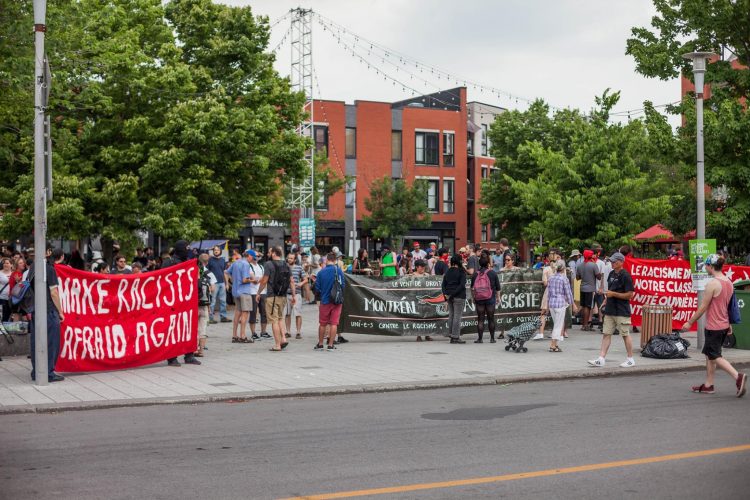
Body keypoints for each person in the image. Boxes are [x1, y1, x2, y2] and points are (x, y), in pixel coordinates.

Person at [682, 254, 747, 397]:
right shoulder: (728, 282)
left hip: (714, 326)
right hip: (723, 324)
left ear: (711, 266)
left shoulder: (712, 284)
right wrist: (729, 324)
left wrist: (690, 322)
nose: (705, 267)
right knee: (710, 355)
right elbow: (729, 306)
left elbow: (703, 307)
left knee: (714, 355)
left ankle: (738, 377)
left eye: (706, 265)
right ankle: (708, 385)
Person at [588, 252, 635, 368]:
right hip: (610, 309)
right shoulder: (611, 274)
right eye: (612, 261)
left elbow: (630, 295)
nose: (612, 263)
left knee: (625, 334)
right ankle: (601, 358)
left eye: (614, 262)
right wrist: (605, 301)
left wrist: (613, 294)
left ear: (621, 262)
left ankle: (630, 359)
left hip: (622, 310)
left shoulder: (626, 276)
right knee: (606, 333)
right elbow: (610, 290)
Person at [162, 241, 203, 366]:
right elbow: (163, 280)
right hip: (173, 302)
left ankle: (189, 354)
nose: (187, 251)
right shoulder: (169, 262)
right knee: (173, 329)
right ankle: (171, 357)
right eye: (185, 249)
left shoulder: (189, 262)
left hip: (188, 301)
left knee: (189, 327)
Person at [30, 248, 66, 382]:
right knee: (51, 343)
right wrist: (60, 312)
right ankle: (48, 372)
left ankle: (37, 371)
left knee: (36, 343)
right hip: (48, 310)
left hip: (36, 309)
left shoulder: (34, 266)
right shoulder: (49, 269)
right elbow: (54, 292)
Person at [257, 246, 295, 352]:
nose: (268, 254)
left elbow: (264, 281)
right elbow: (291, 281)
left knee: (274, 320)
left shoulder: (268, 264)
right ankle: (283, 338)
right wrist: (293, 295)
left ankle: (277, 345)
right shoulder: (286, 265)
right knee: (280, 318)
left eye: (270, 252)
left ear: (274, 253)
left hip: (272, 296)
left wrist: (258, 293)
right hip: (283, 296)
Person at [314, 253, 346, 351]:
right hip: (337, 301)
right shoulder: (339, 271)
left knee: (323, 324)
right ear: (335, 260)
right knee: (334, 323)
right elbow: (343, 285)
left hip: (325, 301)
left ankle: (320, 344)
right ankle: (331, 345)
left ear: (327, 260)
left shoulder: (321, 272)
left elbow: (317, 288)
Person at [547, 260, 578, 352]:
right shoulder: (564, 279)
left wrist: (548, 305)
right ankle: (553, 344)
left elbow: (548, 293)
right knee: (558, 325)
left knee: (556, 324)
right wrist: (573, 304)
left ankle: (555, 344)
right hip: (560, 303)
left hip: (552, 303)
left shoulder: (551, 278)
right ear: (563, 268)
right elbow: (568, 293)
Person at [471, 254, 501, 343]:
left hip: (479, 299)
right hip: (490, 298)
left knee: (480, 319)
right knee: (491, 318)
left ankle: (480, 339)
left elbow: (472, 288)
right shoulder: (492, 273)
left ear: (479, 264)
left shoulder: (475, 274)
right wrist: (498, 297)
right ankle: (492, 338)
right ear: (488, 263)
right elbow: (498, 287)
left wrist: (473, 298)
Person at [226, 250, 254, 344]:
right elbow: (244, 280)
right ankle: (243, 336)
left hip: (236, 291)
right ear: (249, 256)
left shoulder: (236, 262)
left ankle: (234, 335)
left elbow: (226, 272)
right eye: (253, 257)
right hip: (244, 292)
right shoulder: (246, 264)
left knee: (237, 313)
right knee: (245, 314)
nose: (253, 259)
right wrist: (253, 280)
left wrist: (232, 281)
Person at [534, 248, 559, 341]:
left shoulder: (546, 269)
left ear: (548, 258)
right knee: (557, 314)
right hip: (558, 292)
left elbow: (545, 283)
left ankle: (541, 333)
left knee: (543, 312)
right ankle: (556, 333)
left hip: (549, 292)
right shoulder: (561, 268)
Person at [442, 255, 467, 344]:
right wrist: (453, 294)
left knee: (451, 316)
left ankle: (451, 335)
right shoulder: (461, 272)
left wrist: (446, 296)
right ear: (459, 261)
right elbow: (462, 285)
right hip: (458, 296)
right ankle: (455, 336)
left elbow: (443, 285)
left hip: (449, 296)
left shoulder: (447, 272)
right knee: (457, 317)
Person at [195, 253, 216, 357]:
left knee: (194, 328)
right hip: (204, 305)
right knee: (202, 329)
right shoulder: (210, 274)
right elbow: (212, 289)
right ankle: (201, 351)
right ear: (207, 262)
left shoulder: (193, 272)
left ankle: (194, 349)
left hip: (194, 305)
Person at [246, 250, 268, 341]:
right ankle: (253, 333)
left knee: (264, 313)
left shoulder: (262, 267)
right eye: (255, 256)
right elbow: (254, 280)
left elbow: (263, 280)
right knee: (253, 313)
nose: (257, 257)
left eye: (258, 256)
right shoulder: (249, 266)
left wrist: (261, 279)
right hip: (253, 292)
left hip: (263, 292)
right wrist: (261, 279)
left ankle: (263, 332)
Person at [576, 249, 601, 331]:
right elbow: (599, 277)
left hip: (582, 287)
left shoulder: (579, 265)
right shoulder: (593, 265)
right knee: (588, 307)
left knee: (583, 306)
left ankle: (583, 324)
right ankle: (586, 325)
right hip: (590, 289)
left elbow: (577, 277)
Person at [284, 252, 307, 340]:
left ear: (295, 260)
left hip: (297, 294)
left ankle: (298, 332)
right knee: (287, 314)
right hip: (286, 293)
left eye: (291, 258)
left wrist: (301, 283)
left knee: (298, 314)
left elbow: (305, 279)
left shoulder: (299, 268)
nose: (289, 259)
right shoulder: (284, 267)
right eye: (288, 258)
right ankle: (288, 331)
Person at [208, 245, 230, 324]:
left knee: (223, 301)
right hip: (214, 283)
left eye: (217, 250)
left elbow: (224, 272)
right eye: (215, 250)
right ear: (213, 251)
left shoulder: (222, 260)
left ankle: (223, 317)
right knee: (212, 301)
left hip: (222, 283)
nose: (216, 251)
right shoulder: (210, 260)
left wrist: (226, 283)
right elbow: (207, 272)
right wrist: (210, 284)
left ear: (220, 251)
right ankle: (210, 318)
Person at [412, 260, 433, 342]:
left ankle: (427, 335)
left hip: (427, 298)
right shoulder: (412, 276)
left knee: (428, 316)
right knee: (418, 317)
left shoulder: (427, 275)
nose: (423, 268)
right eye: (421, 266)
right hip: (417, 298)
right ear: (417, 267)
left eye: (424, 266)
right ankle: (418, 335)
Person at [0, 257, 12, 322]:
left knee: (9, 313)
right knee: (3, 314)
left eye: (7, 263)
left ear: (11, 265)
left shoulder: (14, 273)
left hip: (11, 298)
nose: (5, 264)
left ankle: (6, 328)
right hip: (2, 297)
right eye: (4, 263)